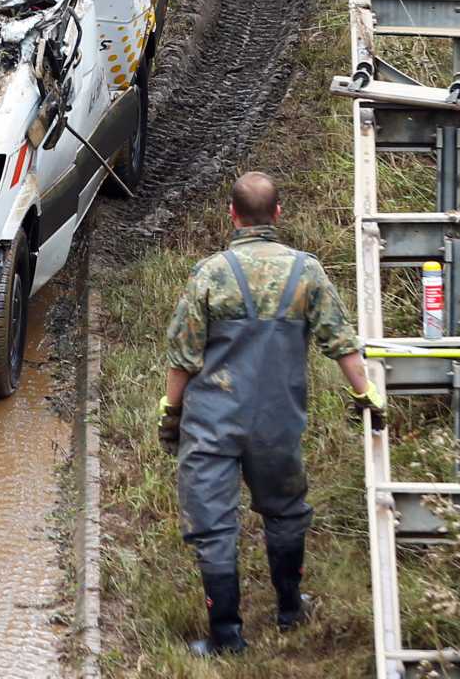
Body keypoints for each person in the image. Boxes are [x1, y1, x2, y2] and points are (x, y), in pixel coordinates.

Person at [160, 171, 384, 654]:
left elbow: (182, 357)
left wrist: (170, 411)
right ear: (277, 215)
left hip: (212, 424)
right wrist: (366, 394)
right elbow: (340, 342)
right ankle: (289, 608)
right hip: (277, 423)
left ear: (232, 216)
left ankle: (226, 636)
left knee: (215, 526)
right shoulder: (306, 272)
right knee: (285, 513)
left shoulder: (211, 273)